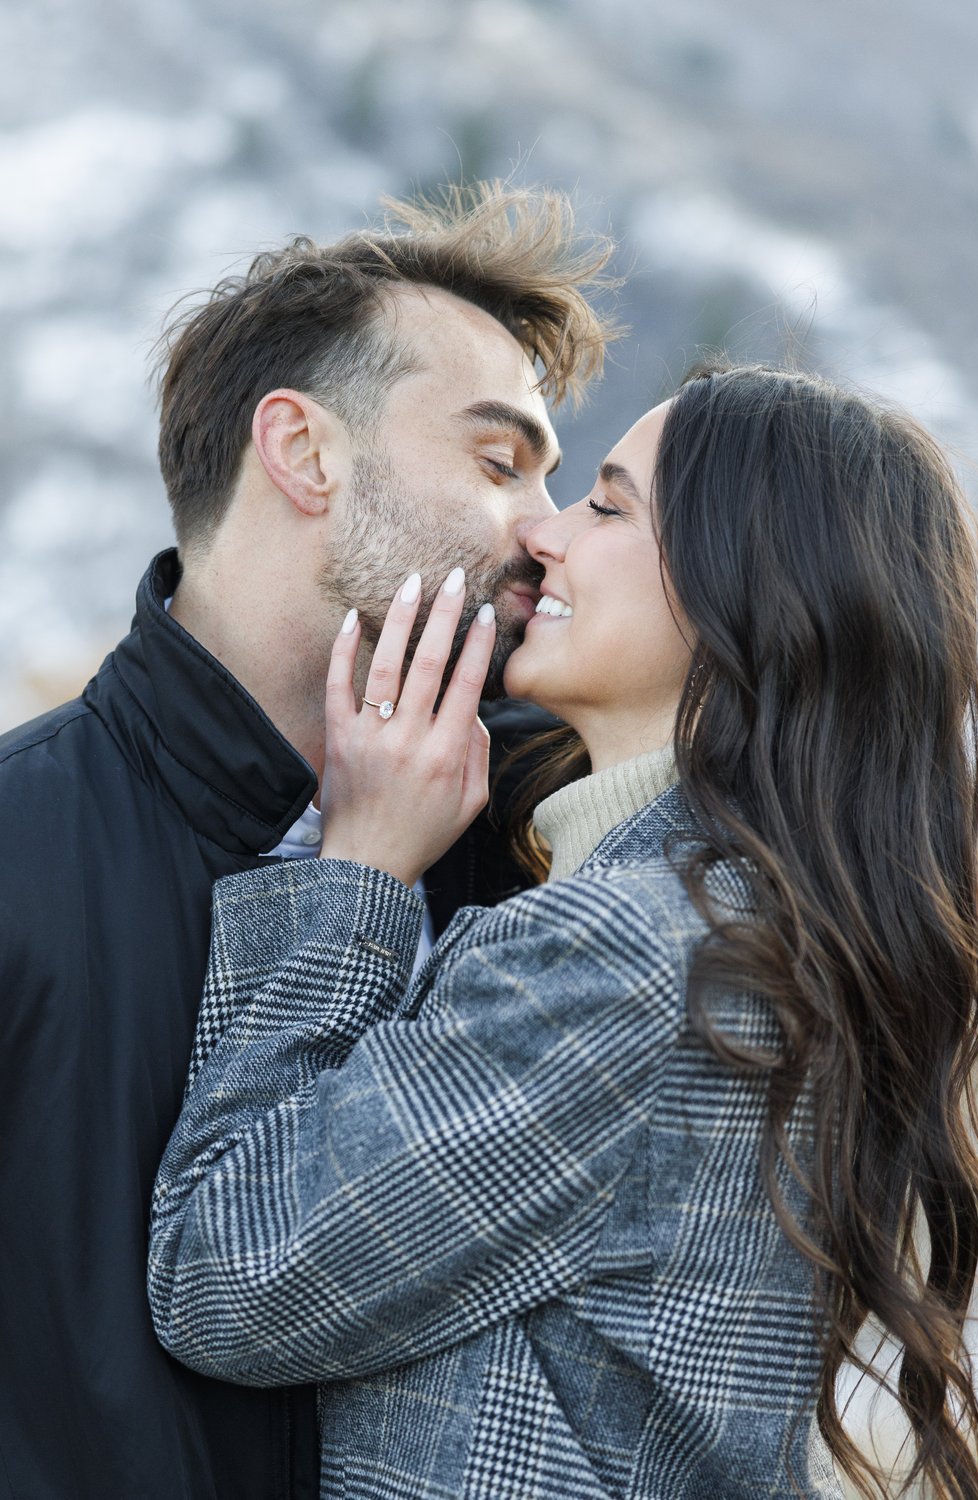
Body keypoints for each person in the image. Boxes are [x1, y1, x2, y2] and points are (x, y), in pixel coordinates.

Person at [148, 362, 978, 1500]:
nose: (545, 536)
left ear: (742, 588)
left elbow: (228, 1276)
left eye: (606, 507)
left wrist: (356, 869)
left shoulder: (636, 952)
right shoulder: (776, 924)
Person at [0, 183, 615, 1499]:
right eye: (503, 462)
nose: (546, 532)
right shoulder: (16, 852)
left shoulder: (554, 855)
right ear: (306, 453)